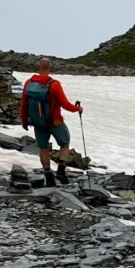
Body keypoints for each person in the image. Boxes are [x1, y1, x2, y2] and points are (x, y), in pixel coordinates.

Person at [19, 58, 83, 186]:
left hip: (38, 122)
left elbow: (23, 104)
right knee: (65, 143)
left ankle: (48, 176)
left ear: (38, 68)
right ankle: (61, 170)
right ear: (50, 68)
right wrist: (78, 109)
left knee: (43, 148)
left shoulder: (29, 83)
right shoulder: (54, 84)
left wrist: (24, 120)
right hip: (55, 121)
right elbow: (65, 104)